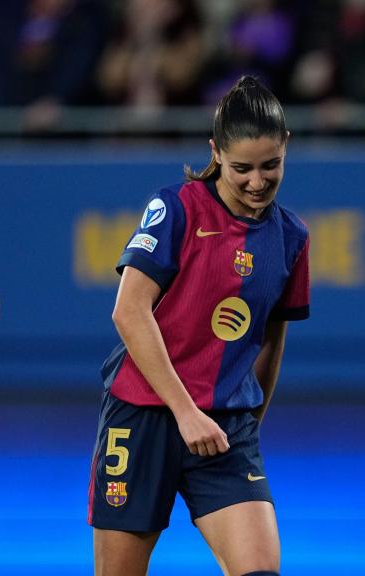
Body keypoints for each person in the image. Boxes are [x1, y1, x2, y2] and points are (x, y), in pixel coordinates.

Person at [88, 75, 309, 576]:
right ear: (215, 151)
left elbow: (271, 340)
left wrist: (252, 421)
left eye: (270, 165)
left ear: (286, 147)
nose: (257, 182)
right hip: (142, 419)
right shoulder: (176, 208)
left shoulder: (292, 236)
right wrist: (185, 412)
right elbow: (128, 311)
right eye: (241, 169)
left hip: (225, 427)